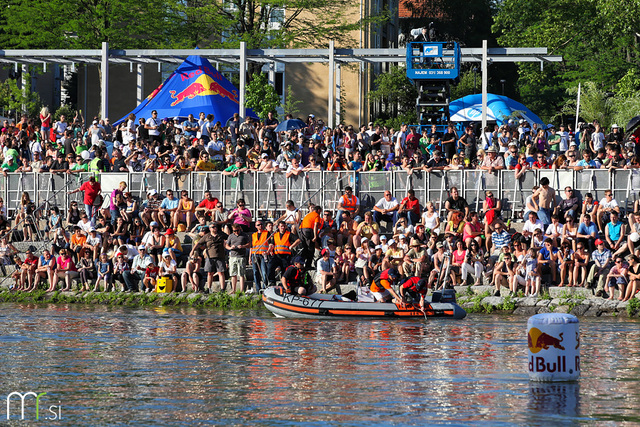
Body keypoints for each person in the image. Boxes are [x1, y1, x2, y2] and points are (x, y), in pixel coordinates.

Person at [190, 224, 226, 292]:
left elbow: (229, 237)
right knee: (210, 273)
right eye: (213, 227)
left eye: (215, 227)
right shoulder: (207, 236)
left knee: (221, 272)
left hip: (220, 256)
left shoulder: (221, 234)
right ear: (210, 229)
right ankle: (209, 288)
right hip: (210, 257)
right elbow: (198, 243)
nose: (215, 228)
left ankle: (222, 289)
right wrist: (192, 250)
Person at [225, 224, 251, 293]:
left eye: (237, 230)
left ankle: (242, 290)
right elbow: (227, 245)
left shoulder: (244, 235)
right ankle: (234, 289)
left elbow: (249, 244)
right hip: (233, 256)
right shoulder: (231, 236)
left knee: (241, 274)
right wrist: (230, 248)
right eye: (234, 231)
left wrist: (242, 246)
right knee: (233, 274)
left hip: (241, 256)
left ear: (240, 229)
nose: (236, 232)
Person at [250, 220, 269, 293]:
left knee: (264, 272)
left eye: (261, 224)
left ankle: (264, 288)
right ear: (255, 226)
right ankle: (258, 289)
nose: (260, 226)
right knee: (255, 272)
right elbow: (252, 247)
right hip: (255, 255)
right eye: (258, 225)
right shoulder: (253, 235)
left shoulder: (266, 233)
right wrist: (250, 257)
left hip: (263, 255)